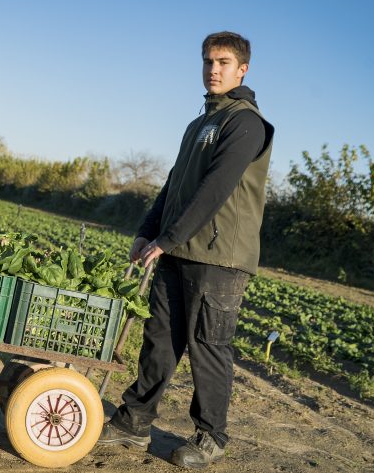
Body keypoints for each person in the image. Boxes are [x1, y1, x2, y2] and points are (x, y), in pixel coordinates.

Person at [97, 31, 275, 468]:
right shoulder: (199, 124)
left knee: (208, 345)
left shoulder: (245, 122)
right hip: (179, 251)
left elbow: (216, 189)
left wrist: (168, 238)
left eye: (223, 62)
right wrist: (147, 231)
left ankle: (211, 436)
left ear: (242, 69)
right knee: (159, 338)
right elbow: (174, 185)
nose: (213, 70)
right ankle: (135, 422)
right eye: (208, 61)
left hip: (219, 257)